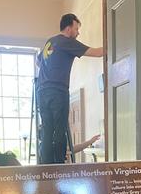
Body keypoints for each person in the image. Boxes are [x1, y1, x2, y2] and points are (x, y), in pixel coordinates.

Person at [36, 13, 103, 164]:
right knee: (60, 129)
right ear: (68, 28)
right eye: (76, 28)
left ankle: (45, 166)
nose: (78, 33)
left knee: (47, 129)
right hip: (58, 91)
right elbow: (98, 53)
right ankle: (59, 164)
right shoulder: (67, 42)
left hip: (42, 91)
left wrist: (50, 71)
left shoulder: (50, 42)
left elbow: (38, 61)